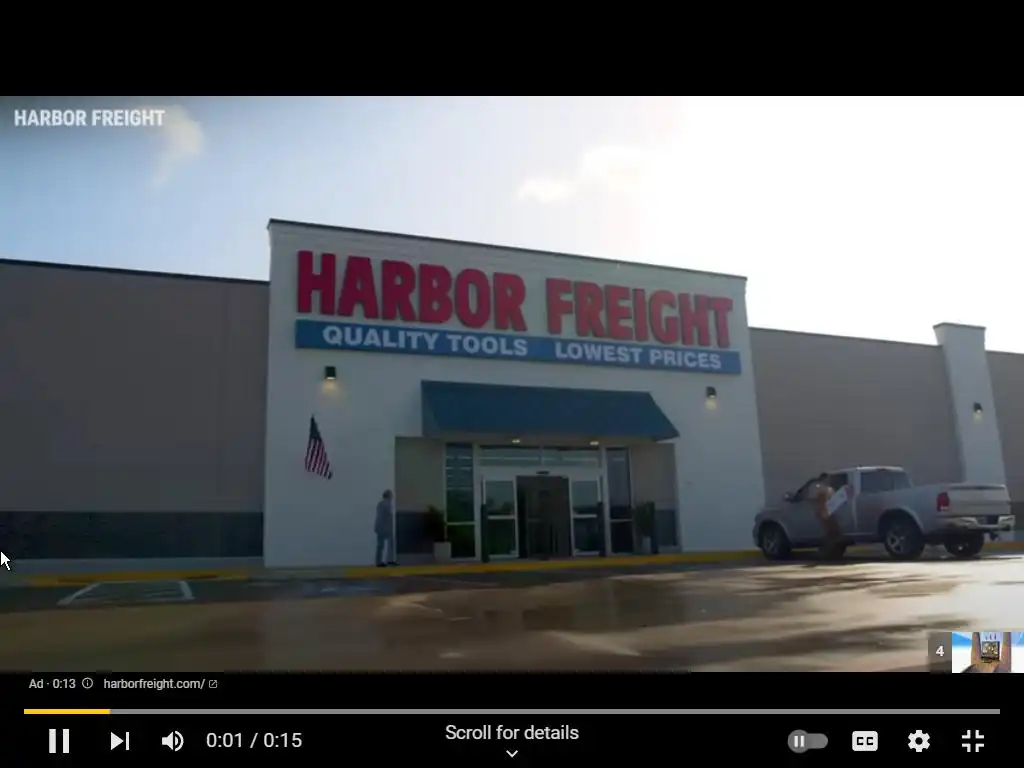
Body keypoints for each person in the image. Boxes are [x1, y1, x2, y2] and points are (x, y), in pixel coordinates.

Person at [808, 472, 844, 558]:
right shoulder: (824, 489)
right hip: (826, 513)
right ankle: (829, 550)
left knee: (831, 532)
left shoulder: (824, 489)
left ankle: (829, 550)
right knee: (831, 532)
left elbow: (817, 501)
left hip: (827, 513)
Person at [375, 490, 396, 567]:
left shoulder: (379, 504)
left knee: (380, 545)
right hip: (386, 527)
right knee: (391, 544)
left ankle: (378, 562)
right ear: (389, 496)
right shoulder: (388, 503)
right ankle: (390, 560)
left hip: (379, 527)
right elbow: (389, 514)